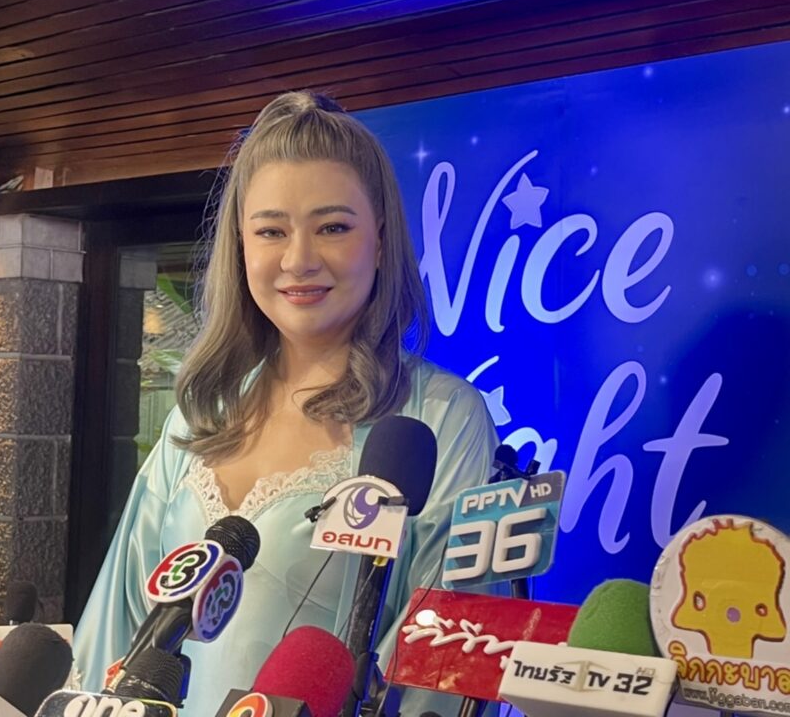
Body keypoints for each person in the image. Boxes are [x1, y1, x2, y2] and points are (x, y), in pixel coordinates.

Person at [73, 92, 499, 714]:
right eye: (271, 231)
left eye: (333, 228)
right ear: (240, 246)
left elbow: (440, 667)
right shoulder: (201, 413)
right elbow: (118, 627)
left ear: (381, 240)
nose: (299, 260)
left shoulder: (441, 416)